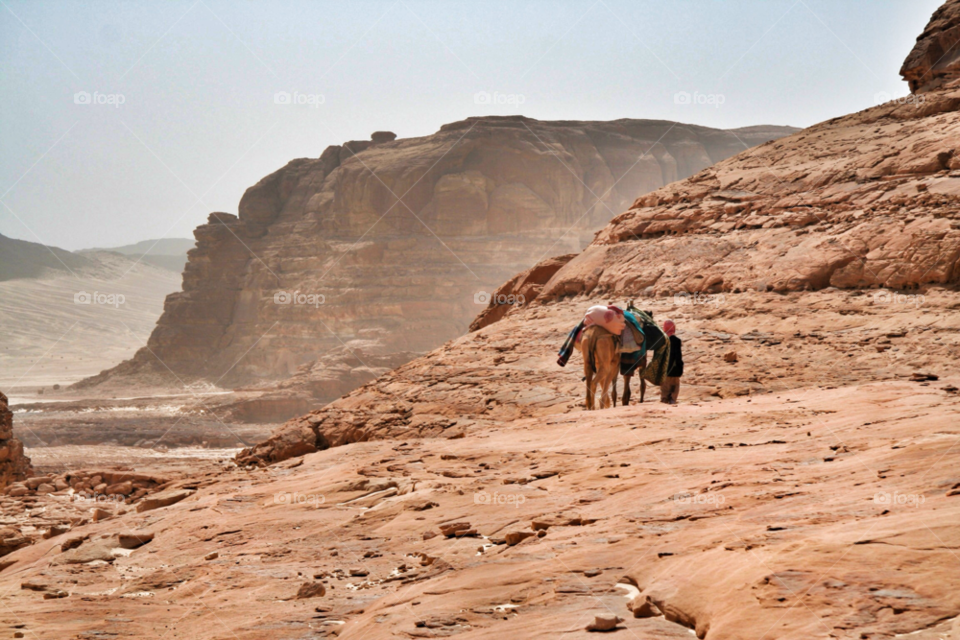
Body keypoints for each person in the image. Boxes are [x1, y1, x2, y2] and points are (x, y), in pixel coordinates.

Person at [660, 319, 683, 404]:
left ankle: (664, 399)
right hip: (675, 368)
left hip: (665, 369)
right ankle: (672, 399)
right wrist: (680, 367)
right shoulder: (677, 341)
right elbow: (678, 356)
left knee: (665, 387)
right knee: (675, 386)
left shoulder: (662, 340)